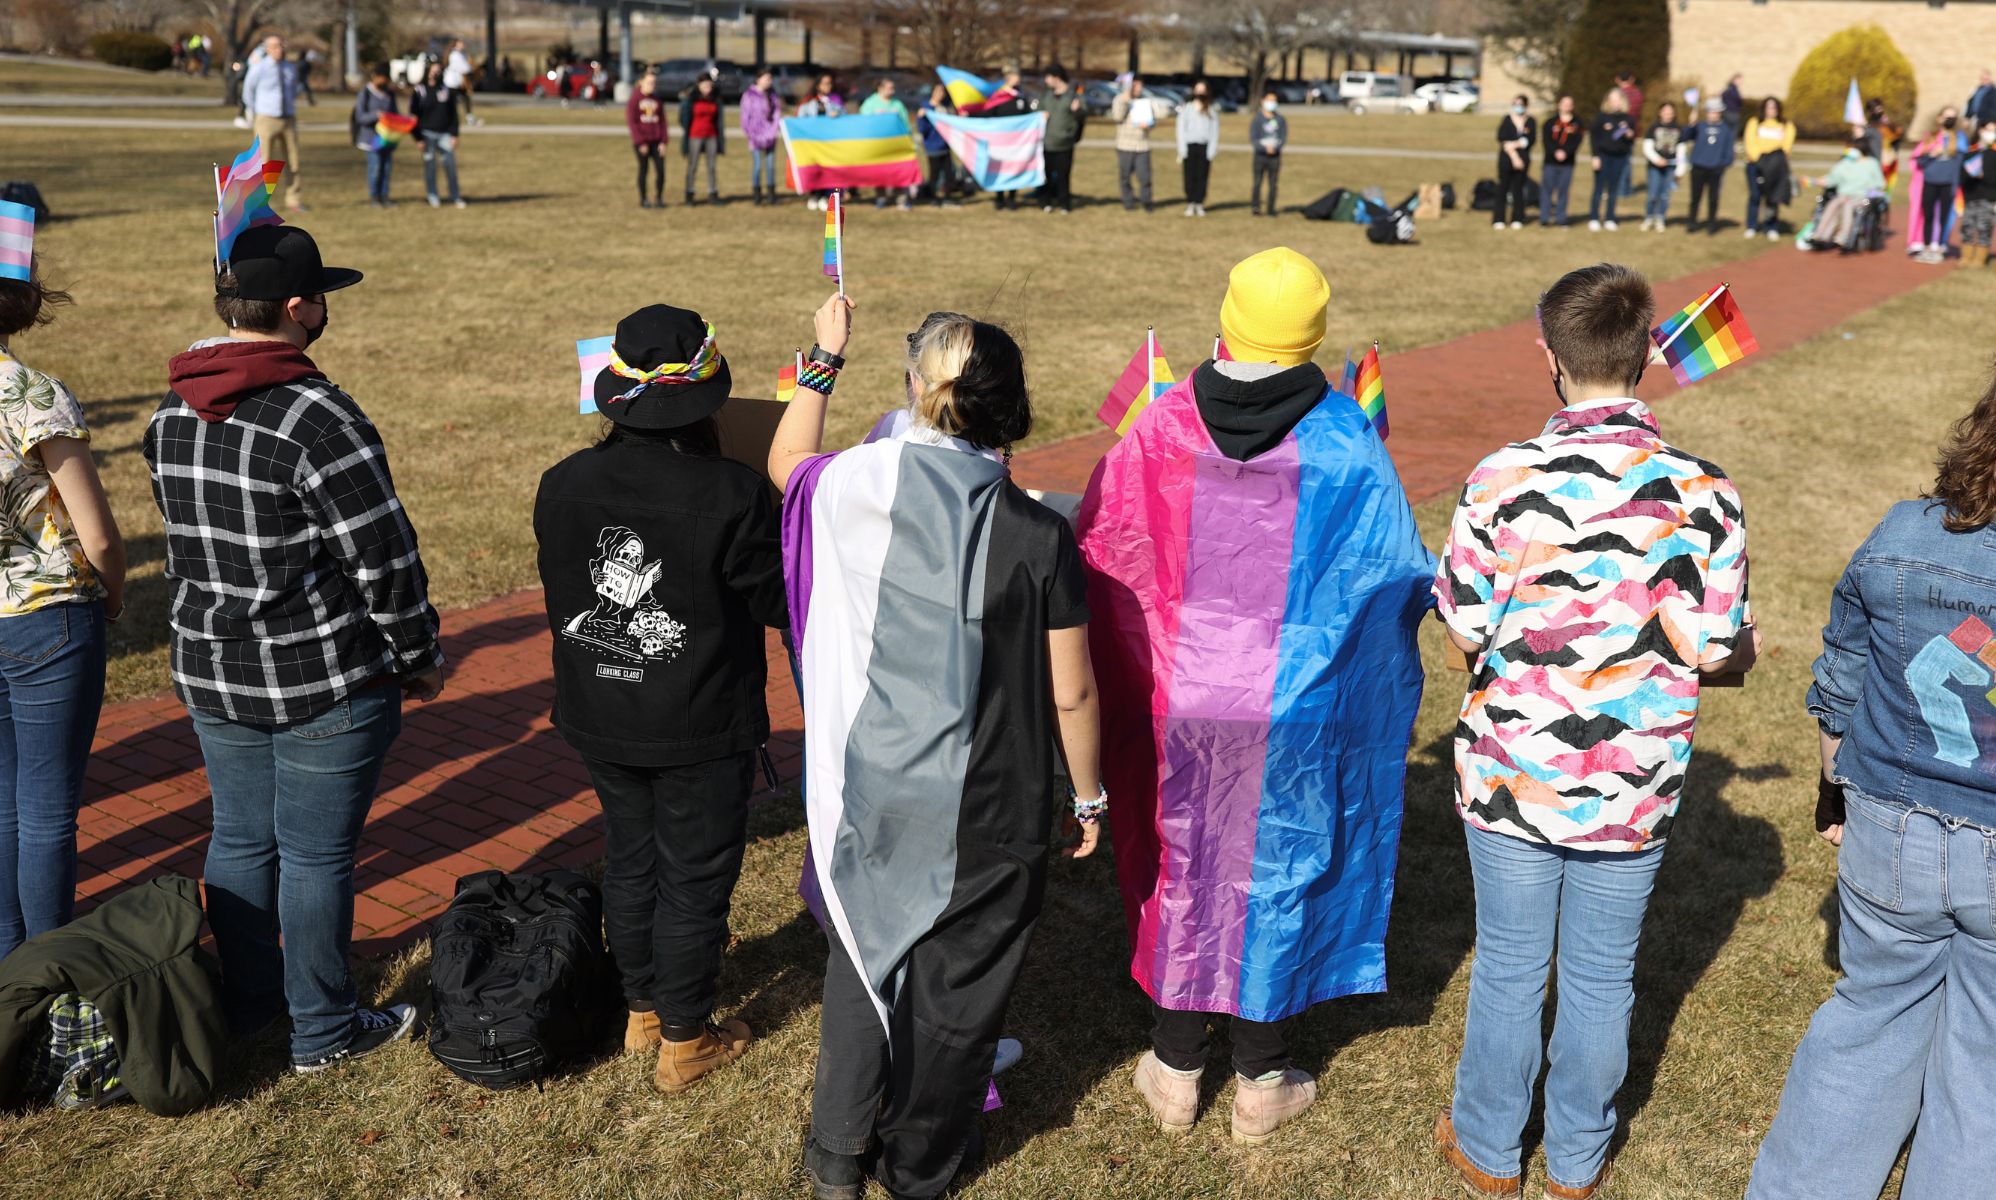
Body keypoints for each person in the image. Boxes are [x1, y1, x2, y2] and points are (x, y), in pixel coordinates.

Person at [1076, 247, 1433, 1145]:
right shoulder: (1347, 437)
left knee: (1183, 864)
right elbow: (1392, 579)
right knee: (1283, 869)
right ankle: (1260, 1077)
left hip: (1177, 697)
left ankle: (1174, 1066)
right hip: (1301, 709)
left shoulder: (1160, 426)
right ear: (1312, 338)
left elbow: (1103, 552)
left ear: (1227, 323)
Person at [1432, 263, 1756, 1200]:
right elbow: (1719, 652)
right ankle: (1577, 1158)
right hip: (1637, 782)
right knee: (1602, 977)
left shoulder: (1501, 476)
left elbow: (1461, 633)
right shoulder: (1707, 492)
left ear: (1549, 356)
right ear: (1652, 351)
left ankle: (1491, 1152)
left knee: (1508, 968)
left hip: (1511, 771)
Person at [770, 300, 1103, 1200]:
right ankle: (918, 1169)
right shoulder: (1037, 535)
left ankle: (837, 1153)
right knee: (958, 994)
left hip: (868, 781)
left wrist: (822, 357)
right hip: (989, 803)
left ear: (915, 389)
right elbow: (1071, 690)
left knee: (861, 950)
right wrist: (1088, 798)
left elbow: (785, 464)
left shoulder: (850, 487)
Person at [147, 224, 443, 1071]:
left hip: (212, 666)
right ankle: (323, 1029)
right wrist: (417, 655)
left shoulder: (172, 405)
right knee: (315, 857)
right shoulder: (317, 413)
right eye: (321, 296)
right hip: (320, 677)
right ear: (294, 307)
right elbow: (382, 553)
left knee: (239, 840)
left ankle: (250, 1004)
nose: (324, 309)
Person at [1747, 371, 1996, 1200]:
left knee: (1868, 1022)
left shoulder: (1902, 534)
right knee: (1985, 1066)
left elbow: (1840, 687)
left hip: (1890, 830)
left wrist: (1834, 789)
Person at [535, 304, 786, 1092]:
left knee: (632, 856)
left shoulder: (563, 482)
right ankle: (685, 1037)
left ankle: (644, 1009)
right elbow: (781, 600)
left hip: (600, 711)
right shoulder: (734, 494)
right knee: (695, 876)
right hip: (699, 722)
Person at [0, 258, 124, 960]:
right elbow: (98, 533)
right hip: (48, 616)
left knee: (3, 799)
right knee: (46, 810)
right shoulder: (33, 393)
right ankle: (49, 968)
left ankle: (7, 962)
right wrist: (114, 596)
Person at [241, 33, 305, 212]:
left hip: (288, 118)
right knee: (263, 162)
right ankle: (258, 203)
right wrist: (255, 111)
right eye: (275, 46)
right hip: (266, 118)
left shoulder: (290, 68)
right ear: (267, 49)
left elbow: (293, 89)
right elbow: (248, 91)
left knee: (293, 161)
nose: (279, 49)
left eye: (281, 45)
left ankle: (294, 199)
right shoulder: (259, 68)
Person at [1802, 135, 1887, 252]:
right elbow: (1832, 179)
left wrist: (1871, 193)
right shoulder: (1846, 163)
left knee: (1848, 206)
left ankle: (1844, 238)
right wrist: (1813, 181)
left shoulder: (1872, 164)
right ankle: (1819, 236)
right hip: (1844, 195)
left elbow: (1880, 183)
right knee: (1832, 205)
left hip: (1862, 197)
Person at [409, 60, 465, 209]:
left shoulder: (446, 90)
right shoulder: (419, 91)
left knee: (450, 165)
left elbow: (453, 114)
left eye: (438, 71)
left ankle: (455, 195)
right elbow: (413, 117)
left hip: (444, 133)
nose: (435, 74)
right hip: (426, 134)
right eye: (433, 71)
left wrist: (454, 134)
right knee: (430, 166)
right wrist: (418, 138)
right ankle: (432, 195)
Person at [1912, 109, 1966, 264]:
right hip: (1930, 181)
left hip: (1947, 183)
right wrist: (1931, 154)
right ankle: (1927, 246)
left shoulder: (1959, 138)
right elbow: (1919, 161)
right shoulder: (1931, 137)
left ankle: (1941, 246)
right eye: (1946, 116)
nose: (1949, 119)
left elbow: (1961, 161)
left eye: (1953, 117)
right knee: (1928, 215)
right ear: (1939, 118)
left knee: (1944, 217)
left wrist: (1956, 184)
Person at [1743, 96, 1796, 239]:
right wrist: (1758, 159)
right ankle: (1752, 226)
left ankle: (1771, 226)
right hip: (1756, 163)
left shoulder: (1786, 125)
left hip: (1776, 164)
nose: (1771, 110)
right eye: (1768, 107)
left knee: (1773, 196)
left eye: (1774, 107)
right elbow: (1750, 142)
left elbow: (1786, 145)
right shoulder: (1755, 122)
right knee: (1755, 195)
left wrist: (1775, 159)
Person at [858, 78, 913, 212]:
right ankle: (881, 197)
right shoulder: (870, 104)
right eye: (890, 88)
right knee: (880, 172)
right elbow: (863, 122)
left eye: (893, 88)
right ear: (880, 88)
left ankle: (901, 198)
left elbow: (905, 122)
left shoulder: (897, 104)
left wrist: (908, 138)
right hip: (878, 145)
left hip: (896, 145)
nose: (892, 91)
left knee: (899, 171)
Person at [1585, 88, 1636, 231]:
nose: (1615, 102)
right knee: (1599, 188)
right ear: (1607, 102)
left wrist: (1629, 135)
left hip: (1619, 158)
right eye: (1612, 100)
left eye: (1618, 99)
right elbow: (1593, 137)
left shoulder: (1628, 119)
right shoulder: (1601, 117)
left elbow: (1630, 143)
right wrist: (1595, 156)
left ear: (1623, 101)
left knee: (1613, 189)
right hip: (1603, 156)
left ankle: (1609, 218)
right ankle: (1594, 218)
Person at [1686, 96, 1736, 235]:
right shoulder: (1700, 126)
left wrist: (1723, 164)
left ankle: (1711, 224)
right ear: (1707, 112)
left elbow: (1729, 151)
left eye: (1716, 112)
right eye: (1711, 111)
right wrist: (1691, 124)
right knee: (1695, 197)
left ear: (1720, 113)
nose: (1713, 114)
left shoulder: (1726, 130)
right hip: (1698, 167)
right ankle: (1692, 222)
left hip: (1716, 169)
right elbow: (1685, 136)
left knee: (1713, 198)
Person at [351, 64, 399, 208]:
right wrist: (376, 115)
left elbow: (395, 113)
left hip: (387, 138)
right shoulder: (365, 93)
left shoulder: (389, 94)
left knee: (386, 167)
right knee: (376, 167)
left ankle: (385, 195)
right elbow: (360, 117)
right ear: (374, 76)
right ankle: (375, 197)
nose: (384, 82)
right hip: (372, 138)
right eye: (382, 78)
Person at [1040, 65, 1085, 213]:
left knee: (1063, 175)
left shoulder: (1073, 95)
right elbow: (1036, 112)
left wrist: (1077, 111)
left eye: (1048, 77)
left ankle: (1064, 203)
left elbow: (1083, 114)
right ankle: (1046, 202)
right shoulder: (1046, 95)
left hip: (1065, 143)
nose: (1046, 80)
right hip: (1046, 143)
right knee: (1045, 174)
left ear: (1056, 77)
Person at [797, 75, 844, 212]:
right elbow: (800, 121)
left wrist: (838, 115)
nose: (827, 86)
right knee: (814, 169)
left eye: (829, 84)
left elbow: (845, 119)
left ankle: (826, 196)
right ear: (818, 86)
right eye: (824, 84)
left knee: (828, 170)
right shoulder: (808, 105)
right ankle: (814, 195)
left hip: (829, 144)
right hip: (813, 144)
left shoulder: (835, 104)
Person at [1111, 74, 1156, 213]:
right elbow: (1117, 117)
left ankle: (1146, 201)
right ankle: (1128, 202)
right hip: (1125, 145)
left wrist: (1148, 125)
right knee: (1125, 177)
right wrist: (1125, 102)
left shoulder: (1145, 101)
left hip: (1142, 145)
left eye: (1140, 85)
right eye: (1136, 85)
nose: (1139, 88)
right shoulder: (1119, 99)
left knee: (1145, 177)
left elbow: (1152, 121)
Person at [1639, 100, 1687, 231]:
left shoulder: (1678, 129)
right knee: (1653, 194)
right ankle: (1649, 217)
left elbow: (1681, 151)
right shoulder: (1653, 128)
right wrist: (1657, 160)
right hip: (1655, 167)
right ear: (1660, 112)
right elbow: (1647, 147)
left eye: (1671, 112)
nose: (1668, 114)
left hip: (1671, 167)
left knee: (1665, 195)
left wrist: (1680, 170)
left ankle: (1661, 218)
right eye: (1666, 111)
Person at [680, 75, 726, 206]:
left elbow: (719, 119)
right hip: (695, 135)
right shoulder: (691, 98)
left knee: (711, 166)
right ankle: (689, 193)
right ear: (699, 86)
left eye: (709, 86)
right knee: (692, 166)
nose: (708, 88)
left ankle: (713, 193)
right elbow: (683, 118)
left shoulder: (715, 99)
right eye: (705, 86)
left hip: (711, 135)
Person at [625, 69, 668, 208]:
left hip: (657, 141)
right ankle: (643, 198)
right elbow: (632, 123)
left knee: (661, 170)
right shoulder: (634, 100)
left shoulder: (657, 100)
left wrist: (663, 141)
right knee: (644, 170)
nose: (652, 85)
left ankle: (659, 198)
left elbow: (663, 122)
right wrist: (640, 142)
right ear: (641, 82)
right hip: (642, 142)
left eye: (654, 83)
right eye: (649, 82)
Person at [741, 69, 783, 206]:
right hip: (755, 136)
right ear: (758, 79)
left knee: (770, 165)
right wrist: (751, 134)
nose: (769, 82)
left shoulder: (772, 95)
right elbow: (745, 117)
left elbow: (777, 113)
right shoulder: (749, 95)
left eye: (770, 79)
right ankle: (757, 194)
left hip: (770, 135)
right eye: (766, 79)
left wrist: (773, 130)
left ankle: (771, 194)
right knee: (758, 165)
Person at [1175, 81, 1218, 218]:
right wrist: (1182, 148)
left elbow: (1214, 131)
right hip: (1190, 146)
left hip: (1204, 147)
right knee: (1189, 175)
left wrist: (1212, 149)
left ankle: (1199, 202)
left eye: (1202, 90)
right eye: (1197, 89)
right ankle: (1190, 202)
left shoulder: (1211, 110)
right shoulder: (1187, 108)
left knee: (1202, 175)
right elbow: (1180, 129)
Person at [1540, 94, 1583, 227]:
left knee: (1563, 190)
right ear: (1559, 105)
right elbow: (1547, 140)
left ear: (1572, 106)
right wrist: (1555, 152)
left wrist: (1566, 152)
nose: (1566, 106)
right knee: (1547, 190)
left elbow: (1576, 141)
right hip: (1550, 162)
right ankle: (1545, 218)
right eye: (1564, 103)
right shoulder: (1550, 122)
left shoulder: (1577, 124)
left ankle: (1561, 218)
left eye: (1569, 104)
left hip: (1567, 163)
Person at [1494, 95, 1535, 230]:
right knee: (1502, 189)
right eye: (1516, 104)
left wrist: (1516, 146)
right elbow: (1502, 139)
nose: (1518, 106)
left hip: (1523, 161)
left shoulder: (1530, 122)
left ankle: (1517, 218)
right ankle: (1499, 219)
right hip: (1506, 160)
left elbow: (1529, 140)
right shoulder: (1507, 120)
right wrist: (1514, 156)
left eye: (1521, 104)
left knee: (1518, 189)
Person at [915, 85, 960, 207]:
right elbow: (922, 129)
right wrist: (922, 118)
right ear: (933, 92)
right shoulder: (926, 108)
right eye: (938, 91)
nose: (940, 94)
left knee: (949, 174)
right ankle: (933, 198)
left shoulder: (945, 108)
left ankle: (947, 198)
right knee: (934, 175)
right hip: (933, 147)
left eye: (943, 92)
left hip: (945, 146)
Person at [1960, 118, 1996, 268]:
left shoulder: (1994, 152)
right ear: (1981, 130)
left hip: (1988, 197)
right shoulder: (1971, 151)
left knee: (1984, 227)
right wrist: (1970, 174)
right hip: (1971, 196)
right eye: (1989, 129)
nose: (1992, 133)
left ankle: (1980, 259)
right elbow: (1962, 175)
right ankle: (1966, 257)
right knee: (1967, 227)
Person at [1249, 91, 1287, 217]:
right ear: (1263, 101)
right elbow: (1253, 138)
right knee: (1257, 182)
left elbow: (1283, 137)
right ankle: (1256, 207)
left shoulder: (1280, 120)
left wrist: (1275, 148)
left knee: (1273, 183)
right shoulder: (1258, 119)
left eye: (1274, 100)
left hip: (1274, 157)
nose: (1272, 103)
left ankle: (1271, 208)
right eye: (1269, 100)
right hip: (1260, 155)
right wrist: (1264, 148)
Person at [444, 37, 480, 126]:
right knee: (451, 102)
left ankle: (469, 118)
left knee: (466, 98)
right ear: (455, 44)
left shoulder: (462, 54)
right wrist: (472, 68)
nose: (463, 45)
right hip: (451, 82)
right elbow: (465, 68)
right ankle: (449, 118)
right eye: (460, 43)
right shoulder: (455, 55)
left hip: (458, 82)